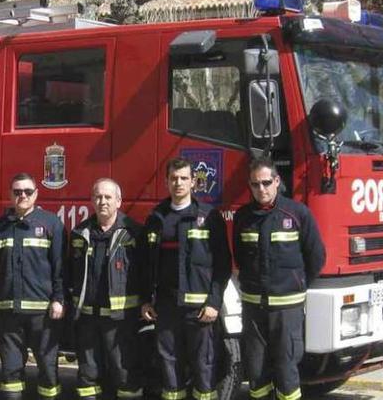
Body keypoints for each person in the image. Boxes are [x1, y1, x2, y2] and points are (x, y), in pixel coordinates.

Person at [233, 157, 326, 400]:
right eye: (255, 184)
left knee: (286, 371)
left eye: (266, 183)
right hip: (254, 308)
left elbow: (316, 256)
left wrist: (297, 283)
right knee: (256, 370)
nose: (261, 189)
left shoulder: (297, 213)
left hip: (287, 308)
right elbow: (240, 256)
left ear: (277, 181)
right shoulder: (243, 217)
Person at [140, 158, 232, 400]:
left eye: (183, 178)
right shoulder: (156, 218)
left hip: (199, 311)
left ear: (193, 182)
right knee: (169, 369)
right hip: (166, 308)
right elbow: (146, 264)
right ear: (166, 182)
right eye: (173, 178)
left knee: (204, 368)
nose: (178, 183)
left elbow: (223, 265)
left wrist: (213, 302)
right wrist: (146, 300)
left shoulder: (209, 217)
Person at [0, 173, 66, 400]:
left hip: (42, 313)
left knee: (48, 370)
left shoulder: (51, 224)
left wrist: (59, 299)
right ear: (10, 195)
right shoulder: (0, 227)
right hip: (8, 312)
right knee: (10, 373)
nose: (22, 196)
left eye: (27, 192)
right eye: (17, 191)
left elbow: (60, 266)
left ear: (36, 194)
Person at [67, 178, 144, 400]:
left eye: (108, 197)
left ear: (119, 201)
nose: (103, 202)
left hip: (120, 320)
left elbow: (144, 272)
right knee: (88, 375)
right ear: (92, 200)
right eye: (98, 197)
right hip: (88, 318)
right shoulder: (80, 234)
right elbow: (70, 272)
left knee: (124, 372)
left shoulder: (133, 233)